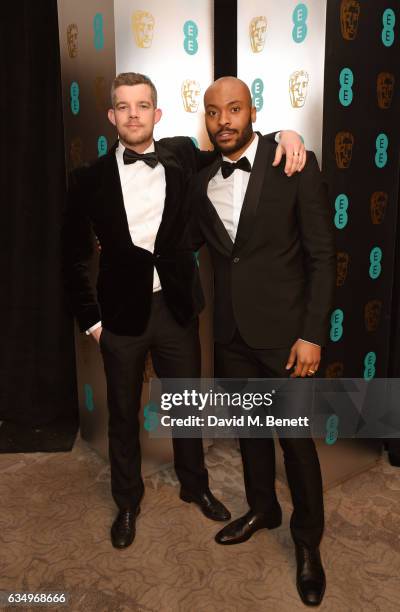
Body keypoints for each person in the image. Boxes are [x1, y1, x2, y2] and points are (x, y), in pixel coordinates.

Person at [62, 72, 305, 550]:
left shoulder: (181, 154)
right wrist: (92, 322)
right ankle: (127, 501)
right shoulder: (87, 179)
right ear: (112, 116)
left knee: (187, 407)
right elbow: (71, 258)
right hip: (120, 317)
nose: (134, 114)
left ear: (158, 113)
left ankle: (195, 485)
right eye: (124, 107)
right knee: (124, 414)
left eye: (143, 105)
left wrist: (286, 135)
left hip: (175, 309)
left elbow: (237, 144)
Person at [189, 77, 336, 606]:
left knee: (295, 444)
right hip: (231, 335)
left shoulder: (292, 162)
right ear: (203, 119)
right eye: (212, 112)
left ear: (254, 111)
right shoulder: (201, 177)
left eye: (233, 109)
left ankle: (307, 543)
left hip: (286, 337)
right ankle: (262, 508)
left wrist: (311, 334)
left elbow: (322, 256)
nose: (223, 120)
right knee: (250, 435)